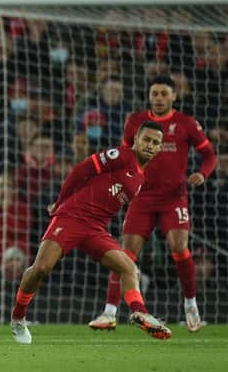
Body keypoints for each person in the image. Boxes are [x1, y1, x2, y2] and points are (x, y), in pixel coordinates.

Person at [12, 121, 172, 344]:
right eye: (146, 139)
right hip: (72, 216)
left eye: (155, 143)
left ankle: (139, 312)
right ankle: (18, 318)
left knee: (129, 268)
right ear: (136, 139)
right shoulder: (121, 156)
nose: (150, 145)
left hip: (95, 228)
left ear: (159, 148)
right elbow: (82, 170)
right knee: (41, 268)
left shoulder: (140, 179)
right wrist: (60, 202)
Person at [89, 75, 217, 333]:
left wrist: (202, 174)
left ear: (173, 96)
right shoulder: (135, 122)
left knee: (179, 248)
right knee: (124, 254)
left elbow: (209, 155)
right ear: (149, 96)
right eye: (154, 93)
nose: (159, 97)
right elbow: (124, 155)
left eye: (163, 93)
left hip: (174, 197)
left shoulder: (186, 123)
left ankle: (191, 305)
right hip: (141, 196)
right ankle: (109, 313)